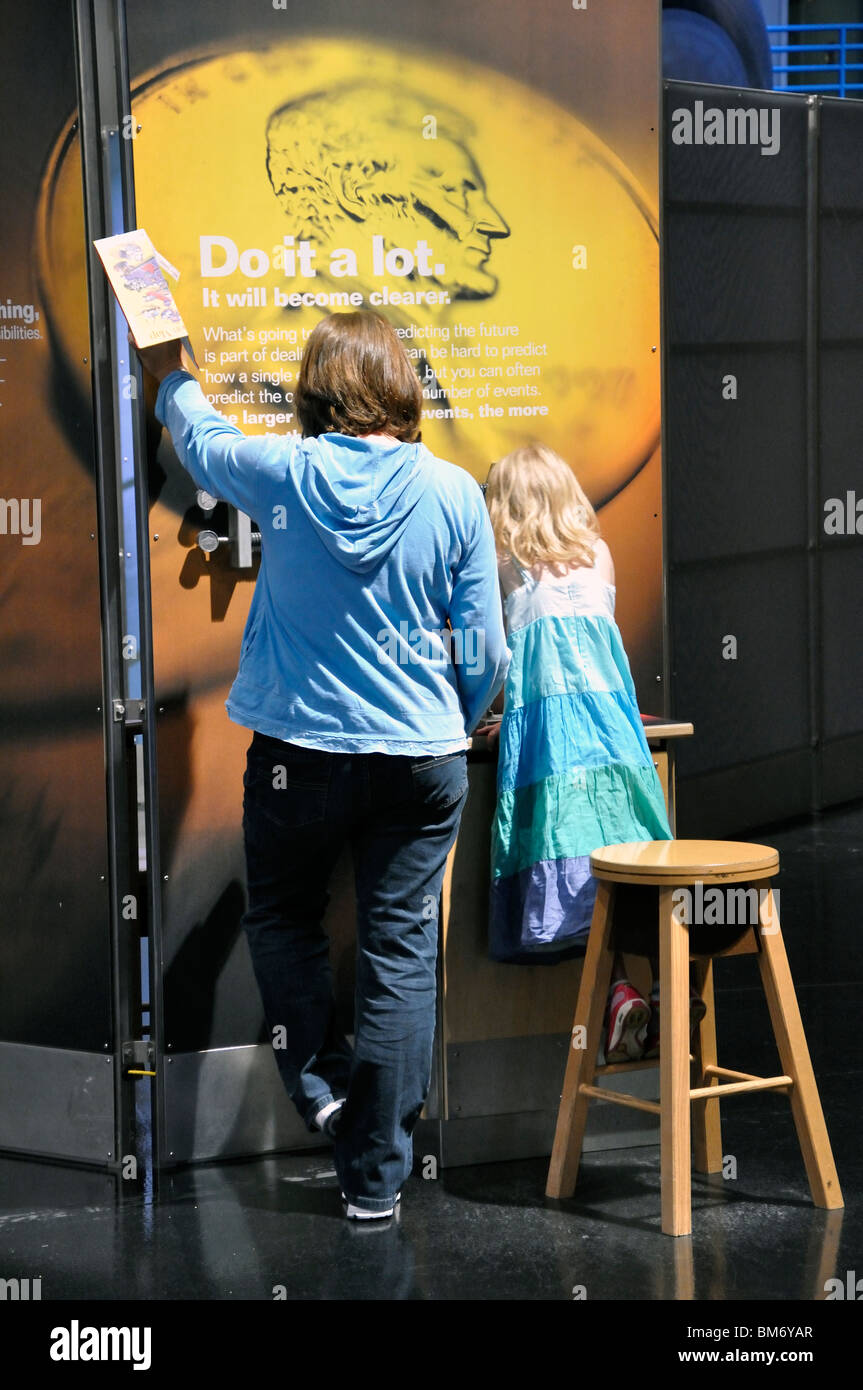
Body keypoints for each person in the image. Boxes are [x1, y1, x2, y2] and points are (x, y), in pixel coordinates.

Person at [136, 309, 509, 1220]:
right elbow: (488, 653)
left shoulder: (290, 476)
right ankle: (377, 1179)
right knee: (399, 954)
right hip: (421, 764)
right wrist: (444, 726)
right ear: (398, 389)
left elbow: (205, 441)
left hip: (294, 760)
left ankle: (323, 1088)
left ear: (316, 389)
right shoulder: (455, 493)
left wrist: (167, 368)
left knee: (282, 918)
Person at [478, 443, 692, 1063]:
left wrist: (494, 716)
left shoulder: (505, 565)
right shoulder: (599, 555)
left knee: (571, 871)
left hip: (551, 742)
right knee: (625, 867)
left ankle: (615, 995)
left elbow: (499, 661)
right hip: (616, 736)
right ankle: (644, 994)